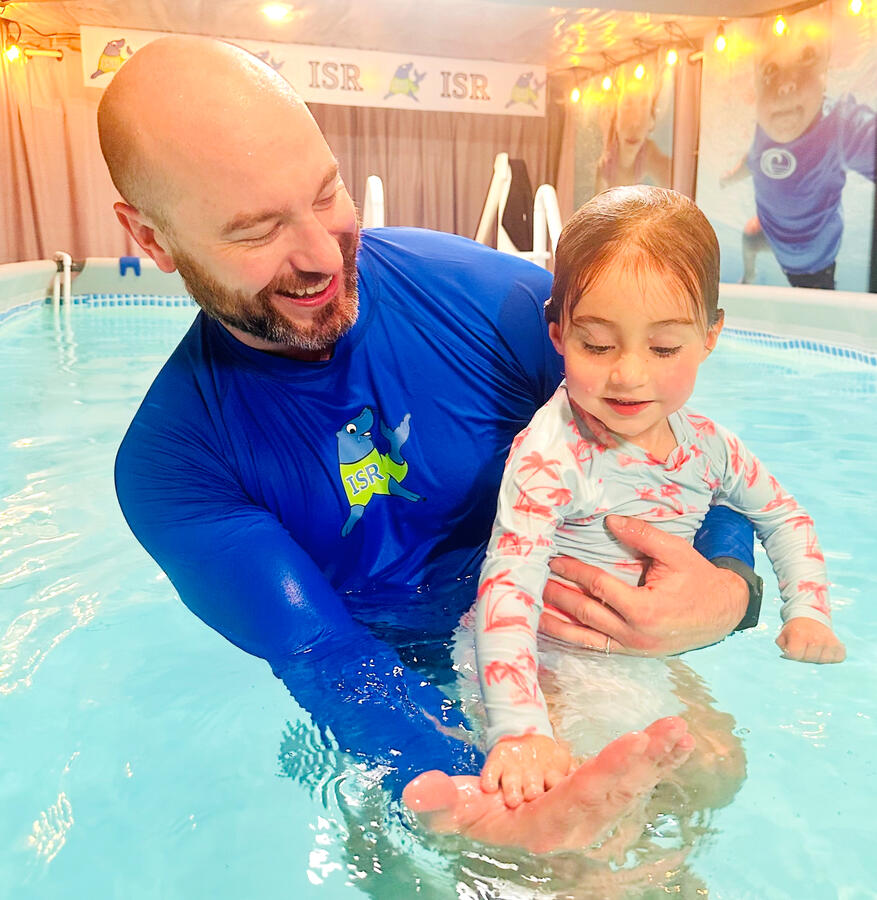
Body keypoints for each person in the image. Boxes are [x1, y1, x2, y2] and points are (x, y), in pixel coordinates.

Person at [99, 35, 762, 852]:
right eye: (254, 230)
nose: (318, 257)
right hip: (389, 693)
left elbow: (685, 455)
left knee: (711, 777)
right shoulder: (176, 465)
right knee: (522, 865)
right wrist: (473, 789)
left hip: (562, 626)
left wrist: (729, 590)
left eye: (325, 193)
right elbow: (326, 656)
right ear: (152, 239)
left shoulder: (495, 304)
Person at [473, 185, 846, 808]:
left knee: (719, 774)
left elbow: (783, 514)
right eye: (597, 344)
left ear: (711, 336)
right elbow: (507, 585)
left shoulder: (709, 448)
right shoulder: (551, 455)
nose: (629, 373)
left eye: (664, 347)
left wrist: (807, 611)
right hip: (546, 664)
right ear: (559, 333)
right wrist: (520, 728)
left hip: (643, 661)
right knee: (580, 806)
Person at [719, 10, 875, 290]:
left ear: (826, 72)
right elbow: (754, 159)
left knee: (816, 310)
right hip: (773, 239)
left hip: (814, 258)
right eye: (770, 70)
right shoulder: (766, 127)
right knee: (749, 235)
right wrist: (731, 177)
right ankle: (749, 276)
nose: (785, 84)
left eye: (806, 57)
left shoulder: (840, 126)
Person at [594, 59, 671, 194]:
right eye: (627, 104)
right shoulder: (605, 164)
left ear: (651, 121)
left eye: (643, 104)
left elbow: (670, 175)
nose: (635, 122)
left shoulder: (648, 154)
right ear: (614, 116)